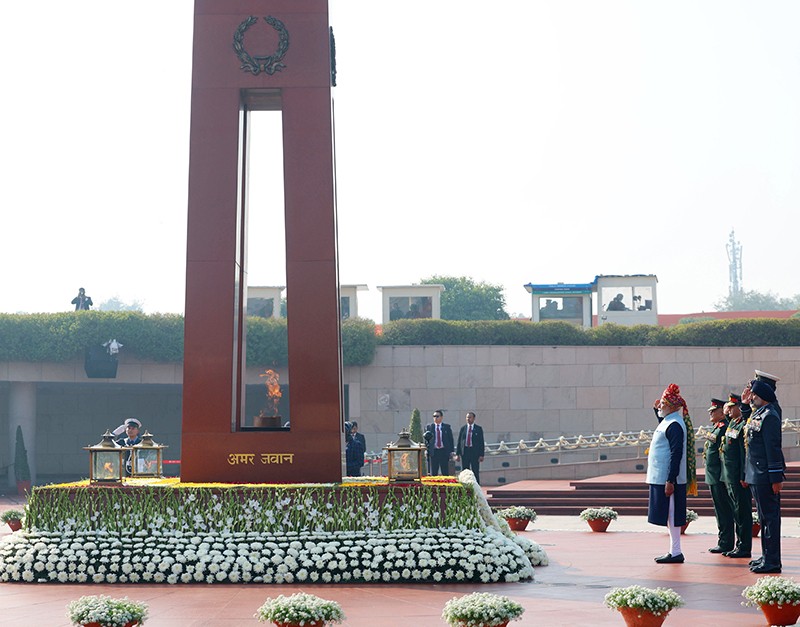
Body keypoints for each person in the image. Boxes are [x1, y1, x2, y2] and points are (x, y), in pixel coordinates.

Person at [646, 383, 697, 564]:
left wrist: (671, 479)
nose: (660, 405)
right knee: (668, 514)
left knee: (672, 514)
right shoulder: (669, 421)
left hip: (668, 478)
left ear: (672, 406)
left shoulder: (675, 424)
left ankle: (676, 551)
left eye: (663, 404)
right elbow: (663, 428)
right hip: (660, 477)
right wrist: (656, 411)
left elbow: (676, 453)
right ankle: (673, 550)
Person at [744, 378, 786, 573]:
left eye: (754, 395)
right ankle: (766, 556)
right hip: (756, 474)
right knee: (763, 518)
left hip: (766, 476)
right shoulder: (759, 413)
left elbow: (773, 448)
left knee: (770, 518)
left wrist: (776, 478)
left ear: (763, 396)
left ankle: (773, 561)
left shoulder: (770, 416)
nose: (752, 397)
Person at [720, 393, 753, 558]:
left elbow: (743, 453)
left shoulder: (743, 424)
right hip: (730, 475)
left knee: (742, 511)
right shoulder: (733, 423)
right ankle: (739, 544)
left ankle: (744, 547)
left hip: (738, 476)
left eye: (732, 407)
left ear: (740, 408)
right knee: (736, 511)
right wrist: (726, 414)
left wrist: (743, 475)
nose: (729, 410)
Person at [703, 398, 735, 554]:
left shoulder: (724, 427)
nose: (710, 413)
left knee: (724, 510)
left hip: (719, 475)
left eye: (714, 411)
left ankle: (726, 542)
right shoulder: (716, 427)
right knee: (719, 509)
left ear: (722, 412)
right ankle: (723, 540)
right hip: (713, 474)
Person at [456, 412, 485, 484]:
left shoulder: (478, 429)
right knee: (465, 471)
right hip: (465, 452)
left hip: (474, 453)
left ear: (474, 418)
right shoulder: (463, 429)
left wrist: (481, 455)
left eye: (470, 417)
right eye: (467, 417)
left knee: (475, 470)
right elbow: (459, 441)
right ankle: (465, 485)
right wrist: (457, 454)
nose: (468, 419)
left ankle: (476, 486)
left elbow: (481, 442)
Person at [425, 410, 454, 476]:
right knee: (434, 472)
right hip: (434, 452)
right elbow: (426, 440)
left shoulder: (446, 427)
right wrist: (426, 450)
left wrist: (451, 451)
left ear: (441, 417)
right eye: (434, 416)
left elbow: (450, 440)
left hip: (444, 451)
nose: (435, 418)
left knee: (445, 472)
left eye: (437, 416)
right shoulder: (429, 427)